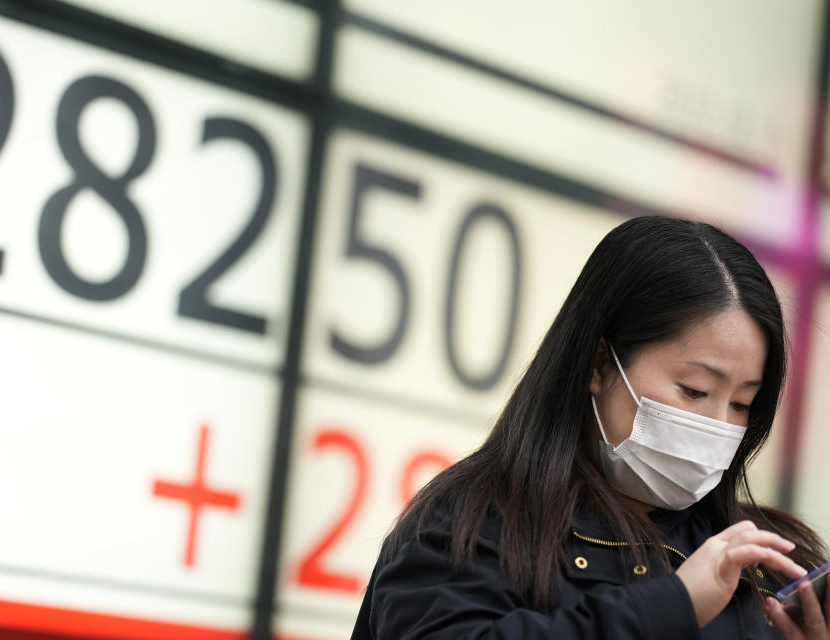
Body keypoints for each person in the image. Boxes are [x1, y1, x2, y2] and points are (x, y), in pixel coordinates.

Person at [351, 216, 829, 640]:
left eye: (744, 402)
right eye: (695, 390)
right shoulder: (476, 522)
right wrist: (672, 608)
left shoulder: (767, 558)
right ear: (599, 364)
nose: (720, 426)